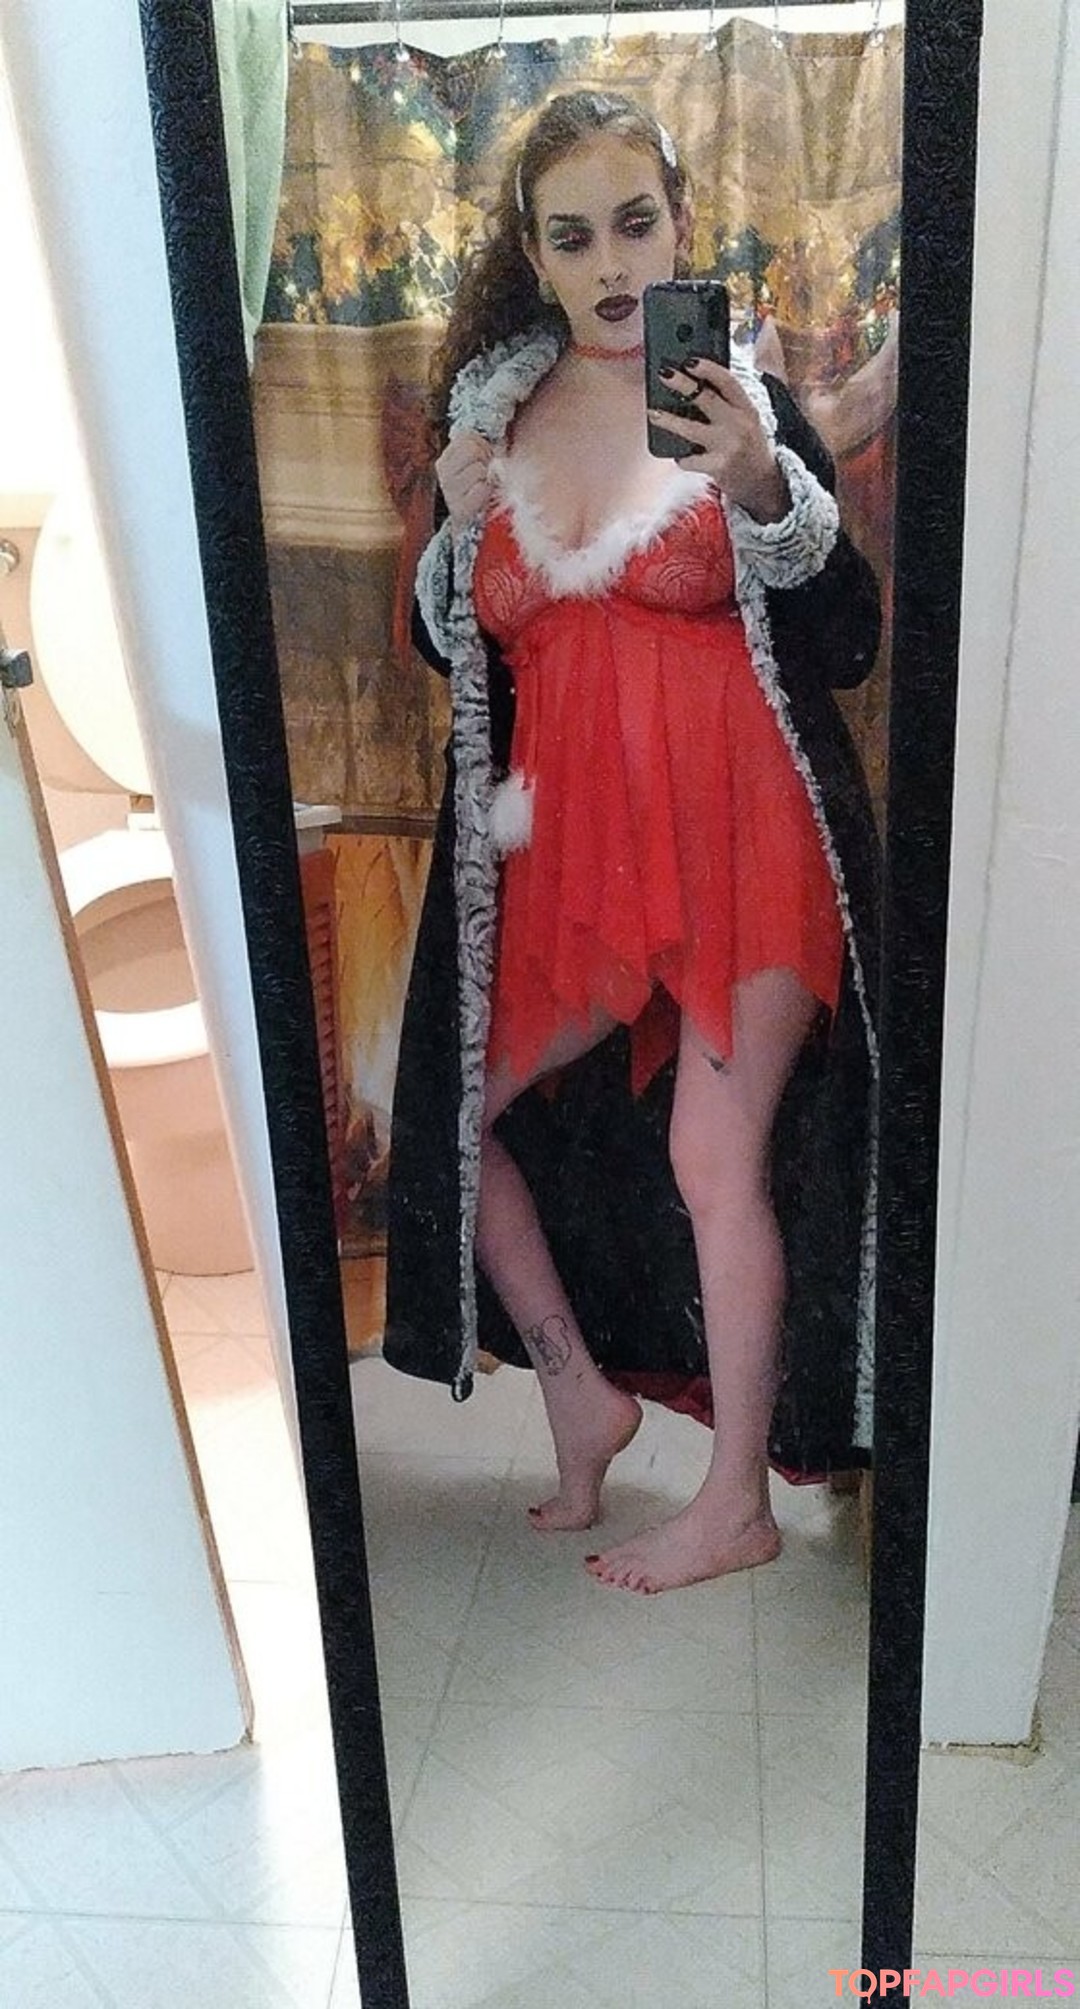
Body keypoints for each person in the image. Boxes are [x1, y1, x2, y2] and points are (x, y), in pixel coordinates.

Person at [384, 90, 881, 1596]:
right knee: (454, 1120)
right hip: (572, 875)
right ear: (533, 255)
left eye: (636, 224)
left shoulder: (737, 397)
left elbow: (849, 638)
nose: (611, 265)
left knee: (712, 1156)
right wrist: (452, 531)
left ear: (681, 223)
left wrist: (763, 484)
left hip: (745, 842)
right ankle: (576, 1391)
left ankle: (735, 1501)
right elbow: (463, 658)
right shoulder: (493, 422)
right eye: (573, 236)